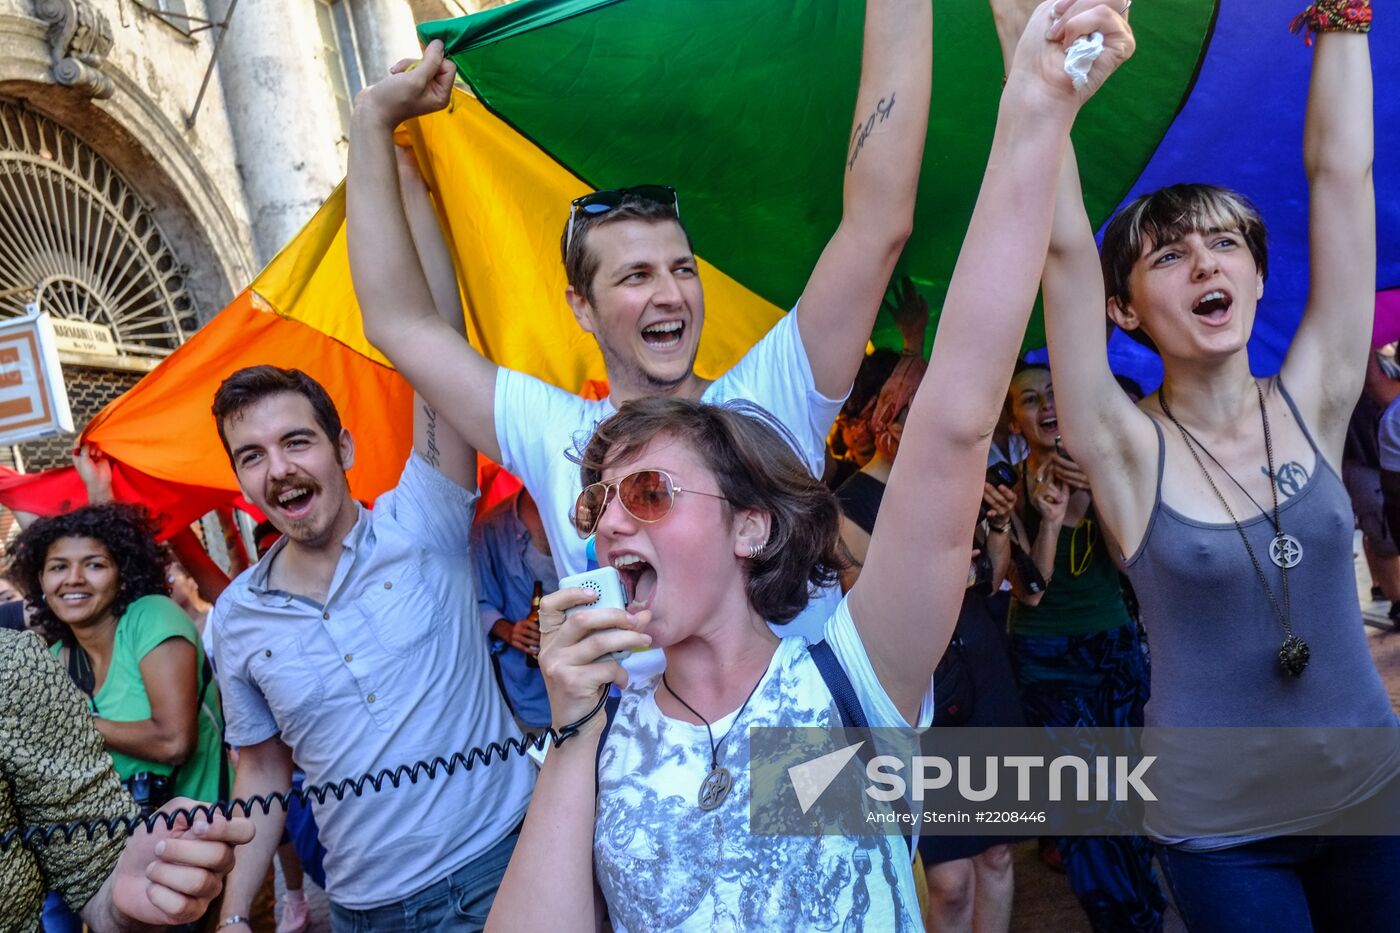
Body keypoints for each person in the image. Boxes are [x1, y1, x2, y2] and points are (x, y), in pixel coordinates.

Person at [484, 4, 1137, 929]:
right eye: (598, 499)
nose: (607, 524)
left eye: (648, 492)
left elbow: (952, 419)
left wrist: (1032, 108)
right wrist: (572, 730)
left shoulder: (848, 684)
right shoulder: (604, 741)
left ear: (752, 524)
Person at [347, 0, 934, 645]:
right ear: (581, 307)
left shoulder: (771, 398)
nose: (670, 294)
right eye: (636, 276)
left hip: (804, 746)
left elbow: (876, 225)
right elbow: (401, 323)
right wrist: (373, 122)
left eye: (682, 268)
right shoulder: (557, 436)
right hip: (639, 740)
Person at [1039, 1, 1398, 927]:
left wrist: (1344, 18)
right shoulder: (1123, 448)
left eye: (1226, 241)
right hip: (1224, 831)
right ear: (1125, 310)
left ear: (1256, 276)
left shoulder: (1315, 399)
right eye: (1170, 253)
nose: (1206, 260)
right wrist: (1032, 68)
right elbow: (1064, 246)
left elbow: (1342, 176)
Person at [207, 368, 532, 928]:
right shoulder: (236, 616)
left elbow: (435, 355)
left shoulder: (423, 520)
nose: (279, 468)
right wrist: (234, 917)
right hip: (367, 911)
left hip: (504, 871)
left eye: (296, 441)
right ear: (241, 480)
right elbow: (262, 767)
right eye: (252, 456)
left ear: (344, 448)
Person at [835, 351, 1023, 933]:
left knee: (996, 853)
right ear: (882, 417)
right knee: (949, 880)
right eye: (910, 412)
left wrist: (996, 527)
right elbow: (866, 608)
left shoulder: (953, 484)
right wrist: (937, 575)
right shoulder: (847, 505)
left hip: (984, 667)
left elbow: (995, 580)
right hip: (923, 693)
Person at [1000, 363, 1162, 932]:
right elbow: (1030, 593)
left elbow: (1131, 566)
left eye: (1052, 392)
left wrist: (1099, 496)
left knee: (1129, 787)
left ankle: (1142, 900)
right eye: (1028, 399)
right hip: (1046, 659)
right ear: (1013, 419)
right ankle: (1121, 919)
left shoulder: (1105, 470)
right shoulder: (1008, 487)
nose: (1045, 405)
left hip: (1114, 645)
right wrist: (1048, 521)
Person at [0, 628, 254, 931]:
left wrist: (126, 894)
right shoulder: (56, 654)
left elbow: (175, 741)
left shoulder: (14, 665)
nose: (73, 580)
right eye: (54, 575)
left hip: (174, 806)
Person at [471, 488, 555, 728]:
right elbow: (478, 603)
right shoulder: (489, 527)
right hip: (532, 696)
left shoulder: (591, 508)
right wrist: (510, 630)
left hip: (596, 684)